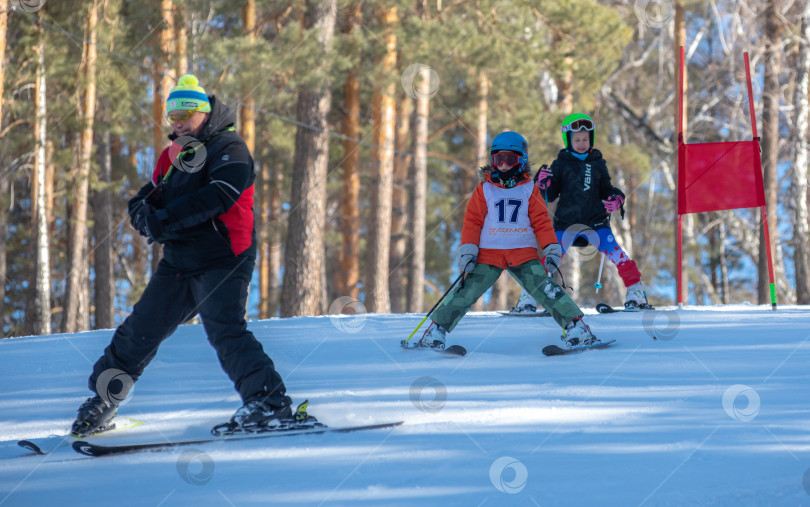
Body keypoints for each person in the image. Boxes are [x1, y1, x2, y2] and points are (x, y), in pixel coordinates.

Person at [71, 74, 293, 437]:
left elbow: (219, 195)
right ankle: (102, 401)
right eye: (172, 117)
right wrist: (142, 213)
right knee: (139, 331)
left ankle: (270, 404)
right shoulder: (174, 155)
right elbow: (149, 195)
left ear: (204, 114)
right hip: (179, 261)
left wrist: (164, 218)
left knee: (225, 331)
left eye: (184, 116)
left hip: (224, 257)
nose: (176, 123)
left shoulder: (230, 148)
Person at [419, 131, 601, 350]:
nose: (503, 165)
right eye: (498, 159)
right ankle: (435, 332)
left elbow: (541, 222)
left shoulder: (529, 189)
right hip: (488, 254)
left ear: (521, 160)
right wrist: (468, 250)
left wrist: (551, 248)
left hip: (523, 253)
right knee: (465, 291)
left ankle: (577, 328)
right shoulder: (484, 189)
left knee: (546, 289)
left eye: (510, 159)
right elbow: (472, 221)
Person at [512, 113, 652, 313]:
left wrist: (616, 199)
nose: (581, 143)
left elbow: (607, 189)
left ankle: (636, 292)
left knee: (619, 255)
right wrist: (542, 183)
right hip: (566, 222)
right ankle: (529, 297)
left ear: (591, 139)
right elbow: (549, 195)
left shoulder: (597, 162)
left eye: (585, 139)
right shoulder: (561, 163)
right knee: (549, 259)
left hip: (596, 222)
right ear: (568, 140)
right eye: (576, 140)